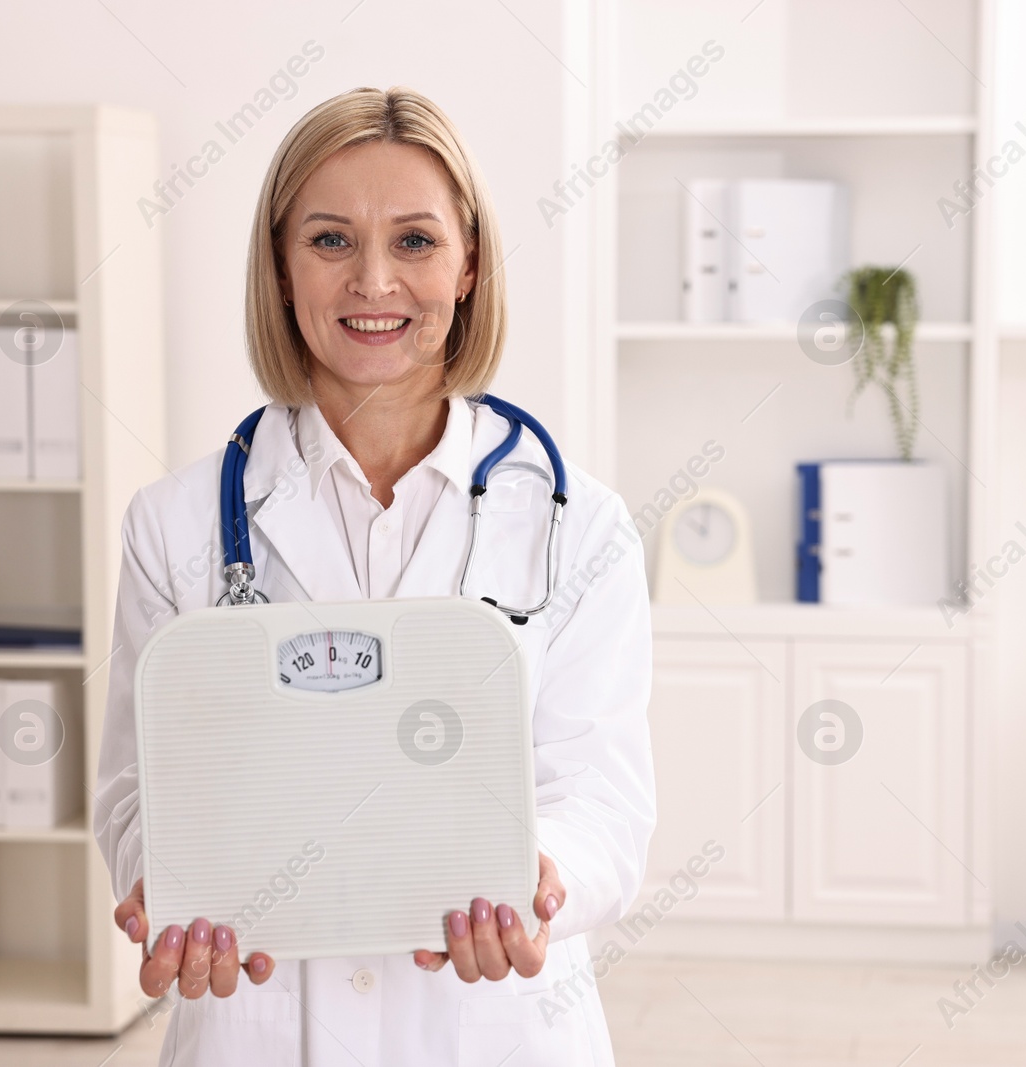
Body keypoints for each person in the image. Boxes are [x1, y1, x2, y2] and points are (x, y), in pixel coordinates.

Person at [92, 85, 655, 1066]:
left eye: (414, 241)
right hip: (254, 1026)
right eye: (330, 240)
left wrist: (538, 878)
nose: (374, 282)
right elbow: (137, 790)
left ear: (469, 261)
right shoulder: (175, 524)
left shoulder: (581, 526)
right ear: (279, 265)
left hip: (495, 1027)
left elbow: (602, 789)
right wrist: (175, 887)